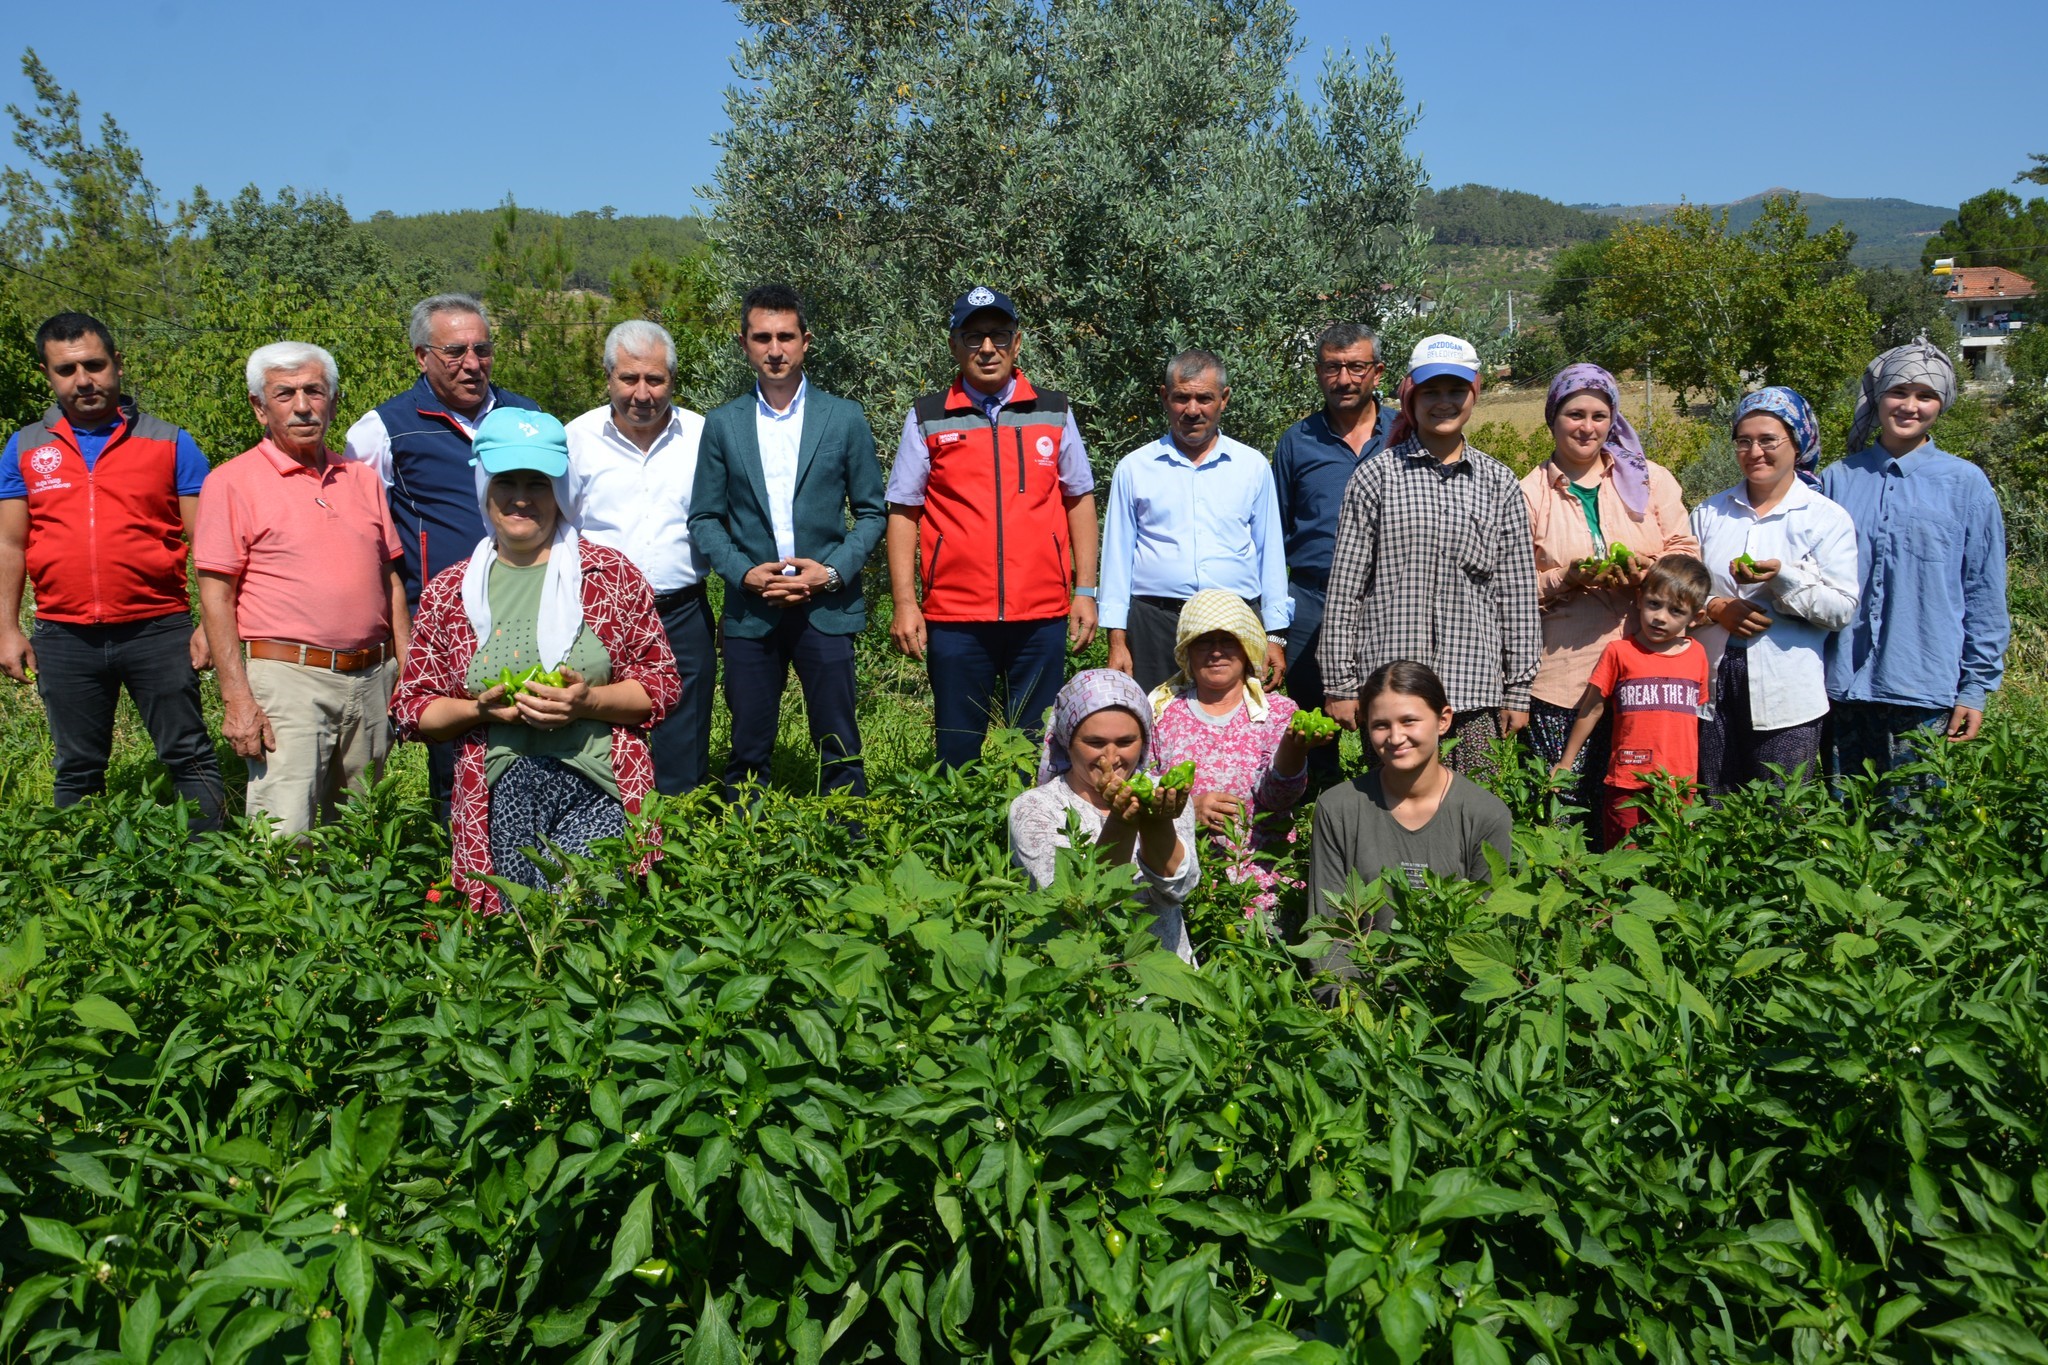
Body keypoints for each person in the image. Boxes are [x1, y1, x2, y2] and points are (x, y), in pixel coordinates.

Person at [390, 410, 680, 912]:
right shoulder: (451, 593)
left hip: (600, 781)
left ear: (559, 491)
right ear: (484, 487)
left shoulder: (608, 576)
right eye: (507, 482)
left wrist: (586, 702)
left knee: (585, 915)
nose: (522, 498)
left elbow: (659, 686)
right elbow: (415, 708)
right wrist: (480, 711)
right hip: (497, 792)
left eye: (538, 484)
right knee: (518, 932)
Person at [0, 312, 225, 828]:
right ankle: (81, 881)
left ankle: (215, 873)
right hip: (63, 635)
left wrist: (210, 625)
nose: (83, 380)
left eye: (95, 365)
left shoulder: (171, 442)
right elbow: (9, 544)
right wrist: (6, 628)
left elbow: (209, 543)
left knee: (188, 754)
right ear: (47, 374)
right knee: (77, 768)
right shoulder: (25, 448)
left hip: (159, 629)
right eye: (66, 370)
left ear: (117, 365)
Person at [196, 343, 409, 835]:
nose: (302, 405)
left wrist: (407, 668)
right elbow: (216, 595)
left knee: (363, 829)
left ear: (333, 401)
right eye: (284, 393)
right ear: (259, 407)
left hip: (373, 676)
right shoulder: (231, 483)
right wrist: (236, 698)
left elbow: (390, 579)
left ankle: (361, 915)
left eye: (314, 391)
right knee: (283, 829)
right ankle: (281, 915)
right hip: (289, 679)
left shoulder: (361, 479)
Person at [885, 286, 1100, 768]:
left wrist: (1084, 589)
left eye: (999, 336)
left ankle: (1037, 841)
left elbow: (1079, 499)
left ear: (1017, 343)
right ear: (954, 345)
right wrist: (905, 602)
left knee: (1040, 750)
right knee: (956, 750)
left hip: (1041, 615)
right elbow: (903, 511)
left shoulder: (1054, 410)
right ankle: (961, 838)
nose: (988, 348)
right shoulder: (927, 416)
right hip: (956, 618)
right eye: (974, 336)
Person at [345, 294, 541, 820]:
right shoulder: (383, 429)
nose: (472, 364)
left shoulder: (527, 416)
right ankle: (461, 869)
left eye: (482, 349)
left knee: (532, 738)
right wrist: (399, 634)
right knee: (457, 756)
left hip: (529, 608)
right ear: (420, 356)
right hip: (447, 619)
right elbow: (363, 536)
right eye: (454, 351)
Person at [689, 285, 886, 799]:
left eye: (785, 336)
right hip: (753, 610)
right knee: (748, 747)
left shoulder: (844, 417)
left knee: (841, 744)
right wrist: (744, 574)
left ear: (806, 341)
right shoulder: (723, 424)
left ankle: (851, 841)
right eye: (762, 337)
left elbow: (871, 512)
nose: (774, 349)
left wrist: (833, 572)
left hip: (827, 603)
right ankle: (743, 849)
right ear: (744, 343)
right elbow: (705, 518)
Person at [1318, 334, 1540, 778]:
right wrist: (1340, 684)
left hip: (1473, 688)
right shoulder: (1376, 478)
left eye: (1455, 391)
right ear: (1410, 395)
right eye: (1431, 392)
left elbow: (1516, 595)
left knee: (1471, 815)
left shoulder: (1499, 485)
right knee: (1389, 809)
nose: (1444, 402)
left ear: (1474, 393)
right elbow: (1346, 589)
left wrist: (1518, 688)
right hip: (1391, 690)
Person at [1820, 341, 2010, 777]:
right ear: (1878, 398)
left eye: (1925, 395)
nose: (1909, 406)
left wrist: (1974, 689)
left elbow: (1983, 591)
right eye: (1898, 392)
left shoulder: (1966, 484)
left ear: (1941, 404)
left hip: (1924, 686)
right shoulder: (1839, 478)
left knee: (1916, 828)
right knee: (1843, 825)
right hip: (1841, 687)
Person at [1520, 364, 1697, 824]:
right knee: (1564, 810)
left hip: (1645, 675)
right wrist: (1567, 577)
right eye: (1574, 414)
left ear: (1613, 419)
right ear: (1552, 419)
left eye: (1599, 415)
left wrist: (1649, 576)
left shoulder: (1650, 480)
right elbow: (1511, 588)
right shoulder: (1529, 493)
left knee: (1638, 809)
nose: (1587, 427)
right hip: (1565, 681)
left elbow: (1684, 554)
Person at [563, 320, 714, 796]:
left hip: (684, 610)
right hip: (599, 616)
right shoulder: (575, 439)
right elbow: (560, 530)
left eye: (655, 379)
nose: (642, 392)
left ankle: (677, 842)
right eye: (629, 379)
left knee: (683, 737)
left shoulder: (702, 436)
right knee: (602, 735)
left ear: (672, 379)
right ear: (608, 378)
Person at [1298, 661, 1513, 992]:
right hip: (1358, 998)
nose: (1396, 737)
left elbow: (1490, 932)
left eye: (1409, 721)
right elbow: (1328, 931)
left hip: (1454, 1000)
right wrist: (1353, 1011)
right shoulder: (1338, 808)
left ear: (1443, 720)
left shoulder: (1486, 814)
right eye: (1381, 725)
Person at [1691, 388, 1859, 795]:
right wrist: (1715, 607)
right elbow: (1681, 589)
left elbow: (1841, 609)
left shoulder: (1825, 519)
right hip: (1711, 687)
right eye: (1744, 441)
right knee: (1712, 803)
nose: (1755, 451)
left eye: (1768, 440)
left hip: (1788, 691)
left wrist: (1781, 578)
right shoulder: (1711, 512)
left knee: (1781, 811)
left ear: (1797, 443)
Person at [1100, 349, 1292, 692]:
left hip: (1236, 626)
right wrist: (1117, 640)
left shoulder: (1252, 467)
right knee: (1155, 728)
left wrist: (1275, 635)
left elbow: (1271, 555)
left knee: (1236, 732)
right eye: (1181, 398)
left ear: (1224, 399)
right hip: (1156, 625)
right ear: (1164, 397)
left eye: (1204, 398)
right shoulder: (1134, 468)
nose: (1192, 410)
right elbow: (1116, 559)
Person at [1146, 591, 1332, 912]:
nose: (1216, 652)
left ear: (1246, 650)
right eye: (1204, 641)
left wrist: (1292, 750)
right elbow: (1142, 791)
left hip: (1262, 880)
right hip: (1181, 876)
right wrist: (1189, 810)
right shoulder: (1163, 712)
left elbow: (1277, 798)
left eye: (1228, 641)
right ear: (1187, 650)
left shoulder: (1277, 712)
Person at [1273, 322, 1395, 787]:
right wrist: (1276, 628)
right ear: (1319, 372)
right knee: (1311, 725)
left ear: (1377, 372)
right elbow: (1275, 533)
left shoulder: (1405, 434)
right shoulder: (1296, 442)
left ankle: (1388, 825)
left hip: (1388, 599)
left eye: (1356, 367)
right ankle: (1313, 828)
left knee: (1390, 719)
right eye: (1332, 367)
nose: (1344, 379)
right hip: (1311, 600)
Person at [1006, 668, 1198, 963]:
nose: (1111, 757)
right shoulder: (1034, 809)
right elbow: (1078, 908)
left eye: (1125, 741)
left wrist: (1154, 821)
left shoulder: (1164, 793)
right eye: (1095, 743)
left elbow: (1176, 891)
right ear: (1068, 741)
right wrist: (1122, 822)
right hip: (1085, 983)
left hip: (1166, 976)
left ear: (1144, 740)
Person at [1552, 555, 1713, 849]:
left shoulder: (1698, 656)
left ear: (1696, 617)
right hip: (1627, 779)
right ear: (1639, 599)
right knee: (1621, 860)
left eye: (1676, 611)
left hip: (1678, 785)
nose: (1660, 617)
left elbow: (1693, 722)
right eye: (1654, 604)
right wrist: (1566, 762)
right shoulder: (1620, 652)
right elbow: (1593, 708)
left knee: (1670, 861)